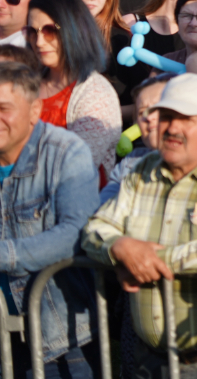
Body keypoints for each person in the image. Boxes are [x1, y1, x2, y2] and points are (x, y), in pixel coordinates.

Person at [82, 73, 197, 376]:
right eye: (166, 116)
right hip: (146, 359)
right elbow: (96, 228)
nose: (173, 128)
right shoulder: (142, 171)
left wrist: (143, 259)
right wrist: (121, 247)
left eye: (186, 118)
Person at [0, 60, 99, 377]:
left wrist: (7, 255)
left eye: (4, 108)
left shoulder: (66, 152)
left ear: (33, 110)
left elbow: (74, 232)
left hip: (62, 338)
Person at [26, 0, 121, 179]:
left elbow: (73, 169)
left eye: (50, 30)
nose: (39, 42)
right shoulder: (26, 81)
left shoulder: (96, 93)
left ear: (74, 29)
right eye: (33, 32)